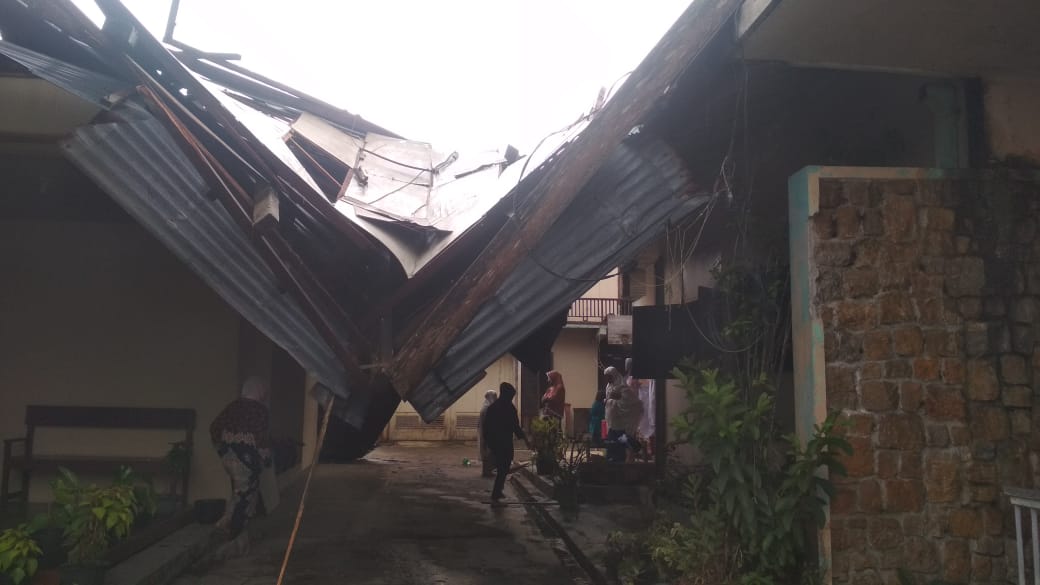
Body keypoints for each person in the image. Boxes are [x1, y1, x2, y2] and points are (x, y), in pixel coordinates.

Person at [210, 377, 272, 546]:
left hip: (229, 458)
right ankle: (233, 535)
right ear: (259, 392)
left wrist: (222, 449)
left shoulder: (232, 407)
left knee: (238, 491)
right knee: (245, 495)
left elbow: (214, 427)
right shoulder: (260, 411)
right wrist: (266, 458)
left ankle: (227, 525)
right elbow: (261, 438)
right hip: (247, 460)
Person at [482, 382, 528, 502]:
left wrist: (489, 443)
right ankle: (496, 493)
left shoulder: (493, 408)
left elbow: (486, 428)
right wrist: (525, 438)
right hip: (504, 442)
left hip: (496, 442)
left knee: (502, 467)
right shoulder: (509, 408)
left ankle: (498, 491)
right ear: (507, 395)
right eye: (511, 396)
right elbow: (515, 426)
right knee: (504, 467)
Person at [604, 366, 644, 463]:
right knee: (611, 444)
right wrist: (607, 401)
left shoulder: (623, 387)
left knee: (620, 443)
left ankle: (620, 462)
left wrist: (617, 399)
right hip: (611, 422)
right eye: (606, 377)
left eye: (609, 376)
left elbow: (633, 403)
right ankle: (611, 462)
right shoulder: (608, 387)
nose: (607, 379)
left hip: (620, 423)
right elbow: (609, 400)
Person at [477, 389, 497, 478]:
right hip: (487, 433)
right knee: (488, 452)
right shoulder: (487, 408)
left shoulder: (486, 406)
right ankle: (487, 472)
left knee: (486, 452)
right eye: (495, 397)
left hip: (485, 433)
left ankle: (487, 471)